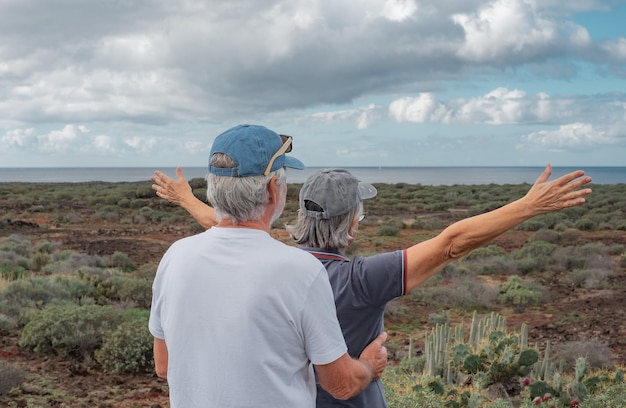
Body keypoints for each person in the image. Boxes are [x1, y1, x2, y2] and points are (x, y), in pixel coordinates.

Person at [152, 163, 592, 407]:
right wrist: (530, 206)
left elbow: (225, 226)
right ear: (353, 222)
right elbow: (452, 243)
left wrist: (187, 198)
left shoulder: (268, 260)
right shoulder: (362, 280)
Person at [148, 124, 389, 408]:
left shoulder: (175, 257)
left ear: (214, 187)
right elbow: (341, 384)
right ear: (273, 190)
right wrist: (369, 365)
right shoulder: (301, 271)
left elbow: (163, 366)